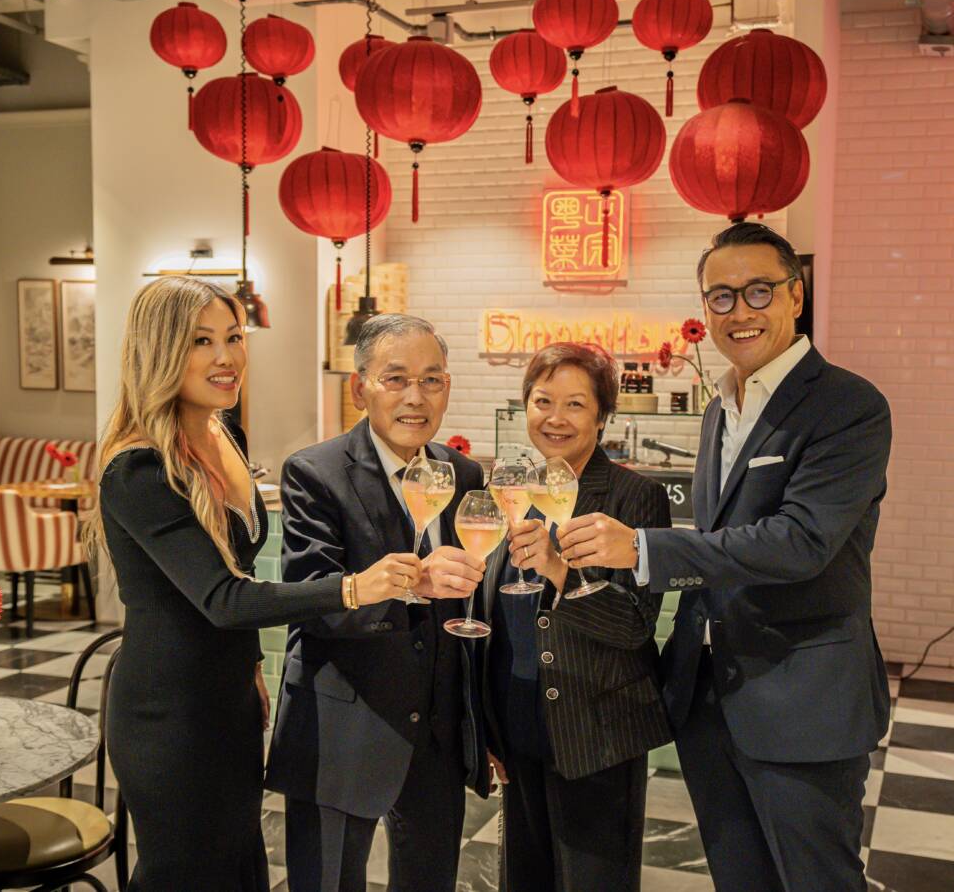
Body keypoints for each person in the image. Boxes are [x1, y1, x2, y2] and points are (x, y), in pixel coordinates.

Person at [557, 223, 892, 892]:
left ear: (797, 296)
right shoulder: (722, 406)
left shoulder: (847, 405)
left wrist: (644, 547)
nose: (739, 311)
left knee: (817, 877)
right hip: (710, 694)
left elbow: (801, 542)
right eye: (720, 297)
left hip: (803, 696)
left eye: (759, 291)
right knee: (739, 876)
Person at [92, 278, 420, 891]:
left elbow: (231, 578)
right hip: (170, 715)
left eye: (235, 337)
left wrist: (247, 672)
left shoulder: (224, 435)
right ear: (159, 351)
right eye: (202, 341)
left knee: (238, 868)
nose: (227, 357)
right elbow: (224, 598)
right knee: (185, 874)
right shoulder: (137, 468)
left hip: (231, 703)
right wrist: (354, 588)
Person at [265, 314, 489, 892]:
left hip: (436, 729)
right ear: (359, 387)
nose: (417, 397)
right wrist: (412, 584)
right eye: (396, 379)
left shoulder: (461, 472)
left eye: (433, 380)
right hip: (344, 721)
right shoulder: (315, 473)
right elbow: (313, 602)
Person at [480, 342, 672, 892]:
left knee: (594, 879)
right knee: (526, 876)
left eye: (575, 405)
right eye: (543, 401)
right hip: (519, 719)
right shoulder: (514, 494)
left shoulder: (635, 497)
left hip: (596, 728)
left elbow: (634, 625)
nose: (555, 418)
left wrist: (563, 573)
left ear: (603, 416)